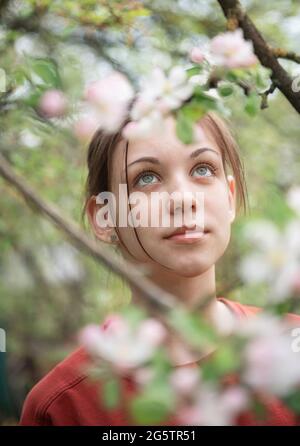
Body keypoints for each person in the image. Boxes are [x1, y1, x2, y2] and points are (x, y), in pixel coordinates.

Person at [19, 112, 300, 426]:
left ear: (230, 197)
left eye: (203, 169)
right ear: (105, 216)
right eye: (147, 178)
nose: (182, 199)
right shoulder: (62, 406)